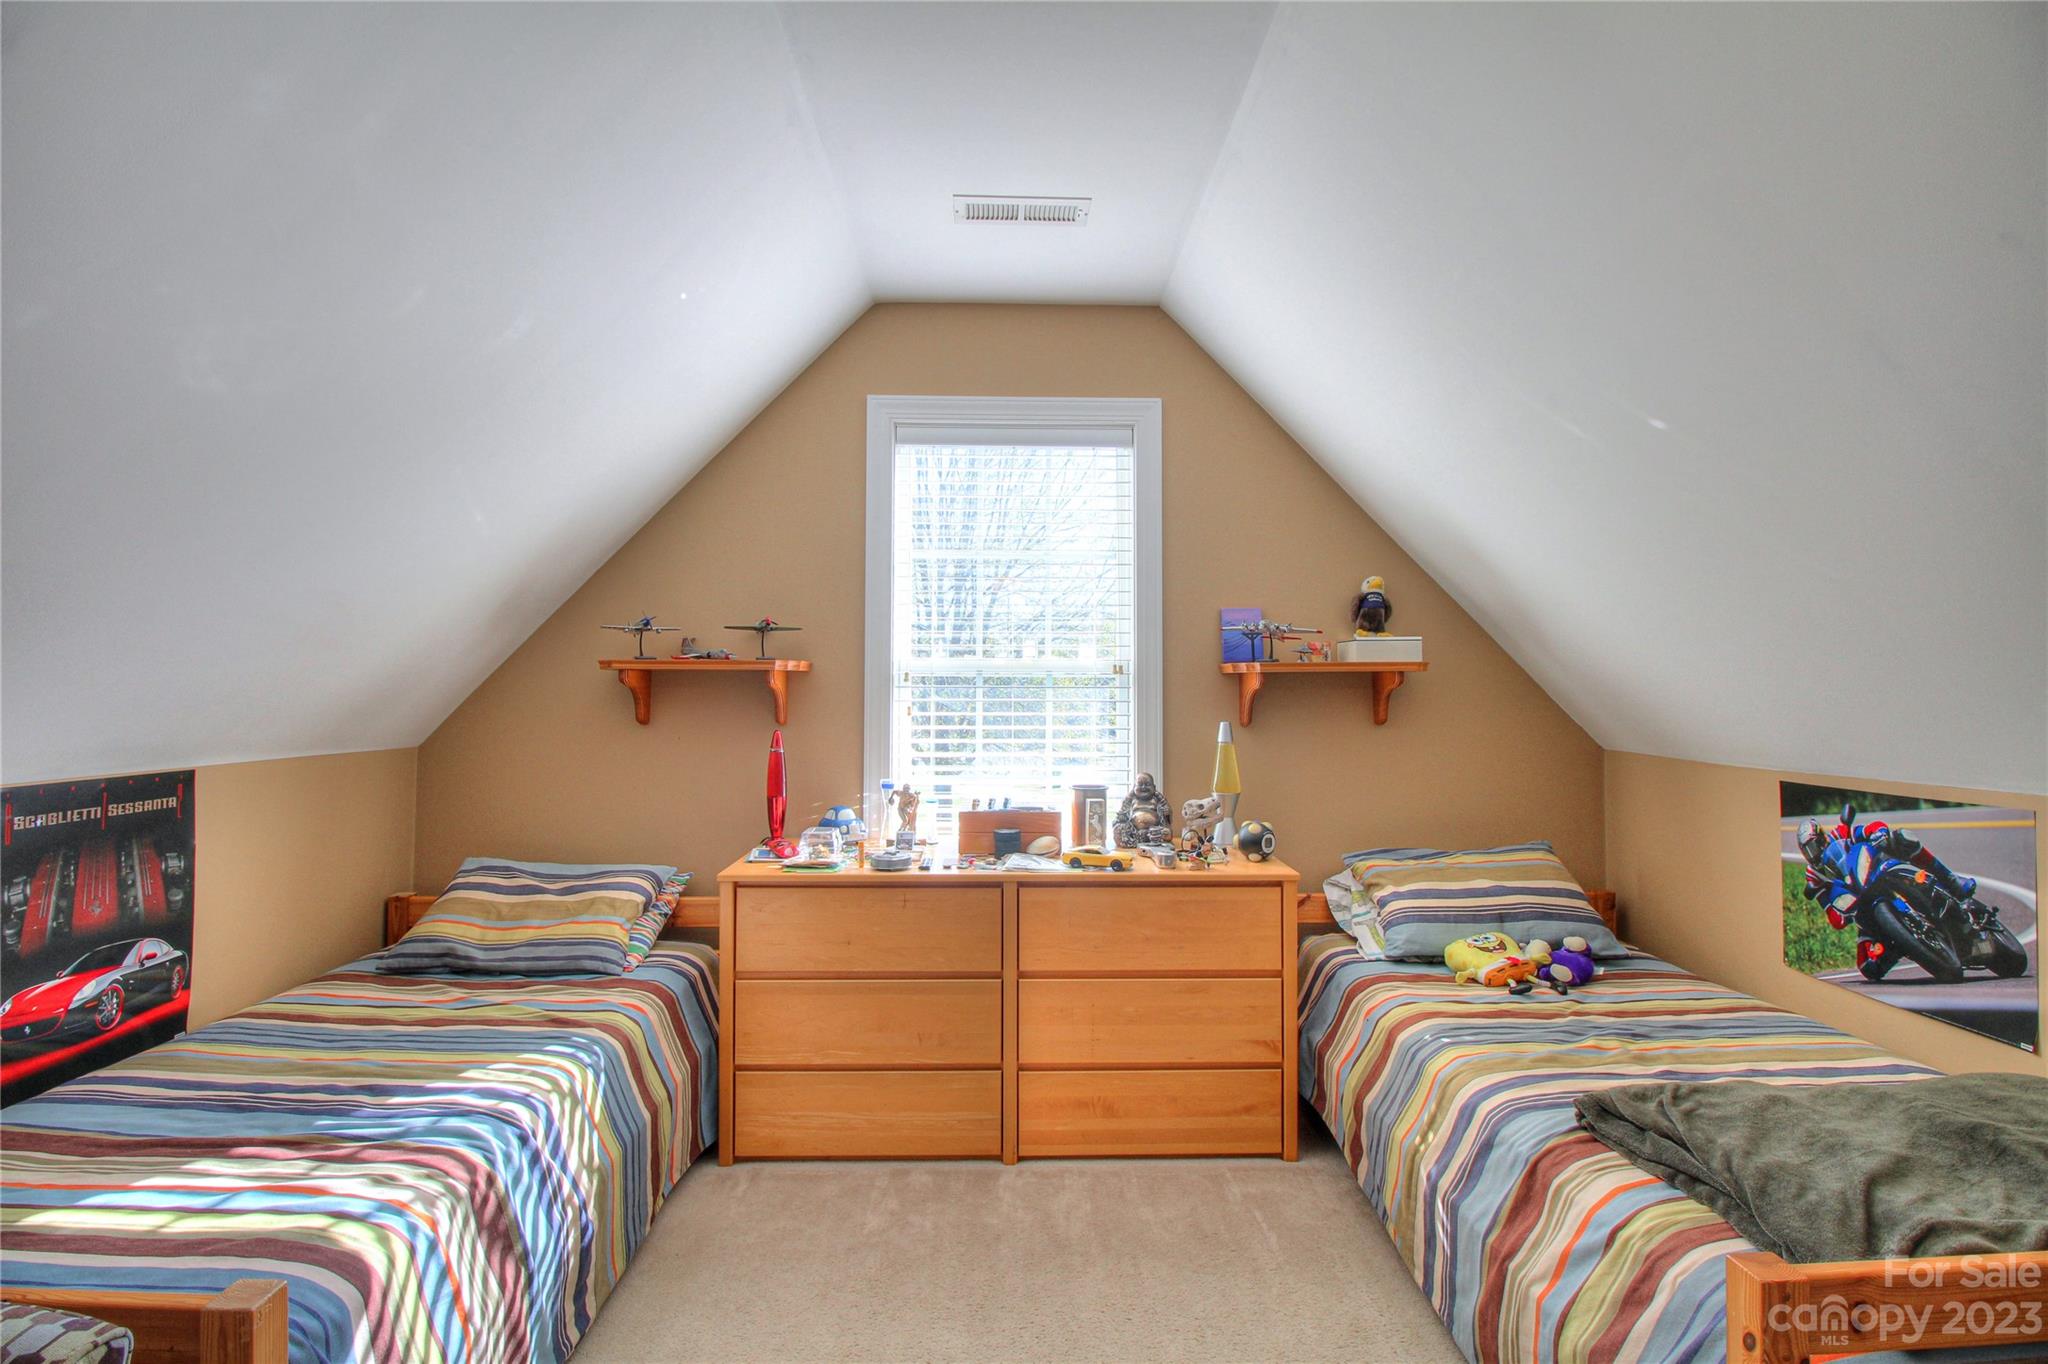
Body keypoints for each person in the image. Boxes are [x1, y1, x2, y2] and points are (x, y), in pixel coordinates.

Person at [1796, 810, 1979, 980]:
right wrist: (1838, 914)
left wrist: (1879, 833)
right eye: (1807, 851)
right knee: (1868, 967)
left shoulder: (1839, 834)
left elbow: (1872, 827)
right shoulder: (1813, 874)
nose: (1812, 853)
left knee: (1903, 837)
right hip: (1860, 905)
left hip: (1876, 871)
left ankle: (1951, 880)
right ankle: (1900, 943)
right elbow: (1830, 911)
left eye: (1813, 846)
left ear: (1821, 837)